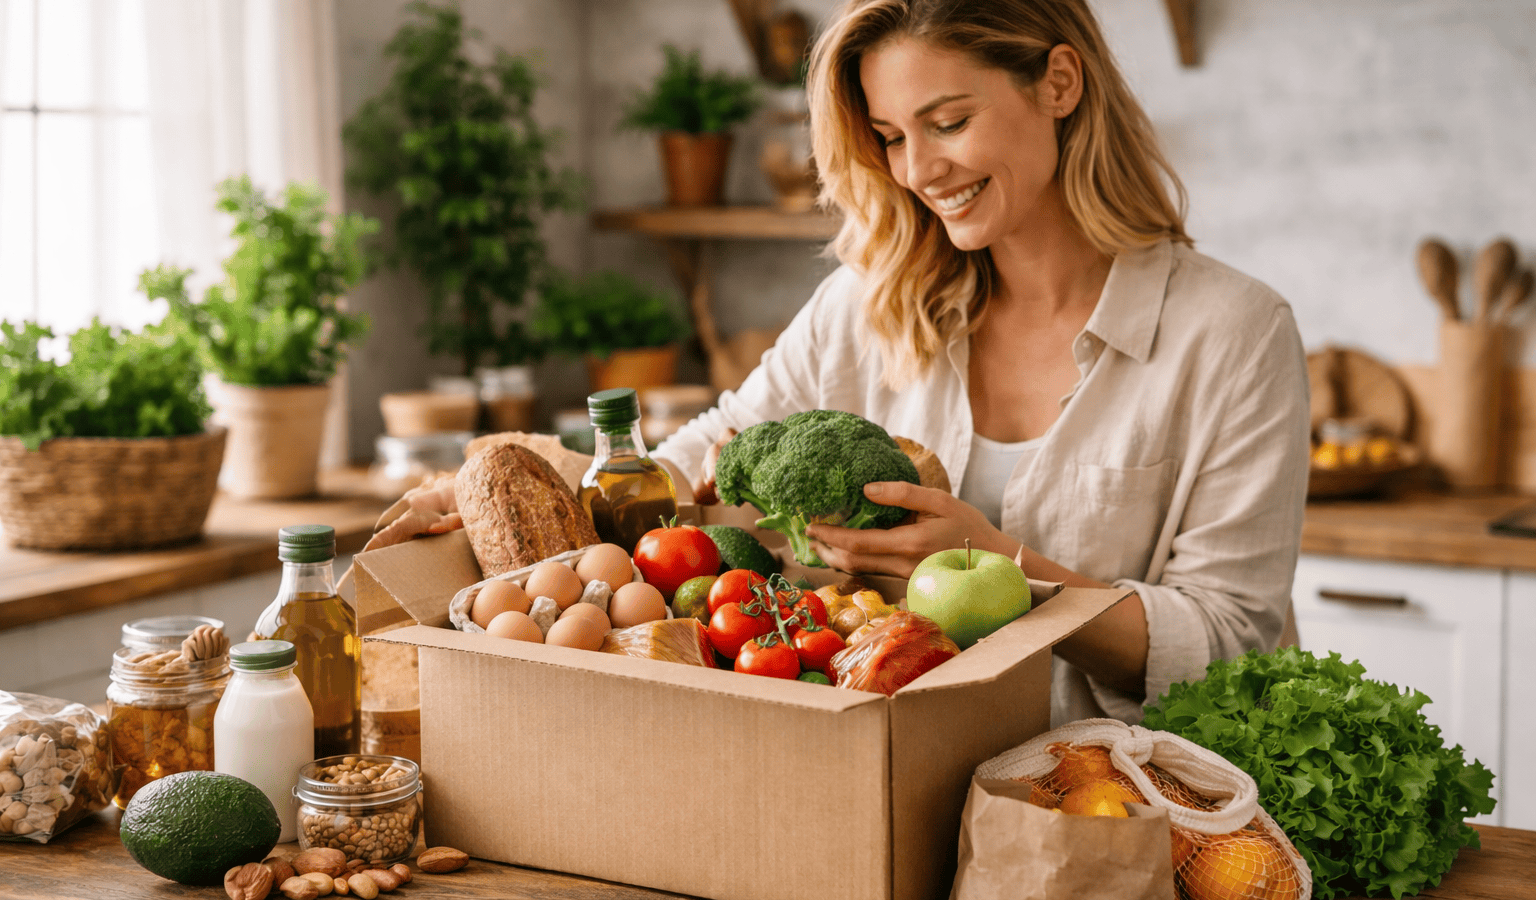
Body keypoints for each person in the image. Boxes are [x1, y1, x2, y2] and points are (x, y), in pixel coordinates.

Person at [651, 0, 1309, 724]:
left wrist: (1004, 571)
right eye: (891, 136)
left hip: (1115, 806)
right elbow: (695, 455)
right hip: (888, 784)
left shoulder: (1234, 333)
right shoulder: (867, 303)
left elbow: (1226, 645)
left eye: (949, 123)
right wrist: (670, 484)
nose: (919, 170)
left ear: (1059, 83)